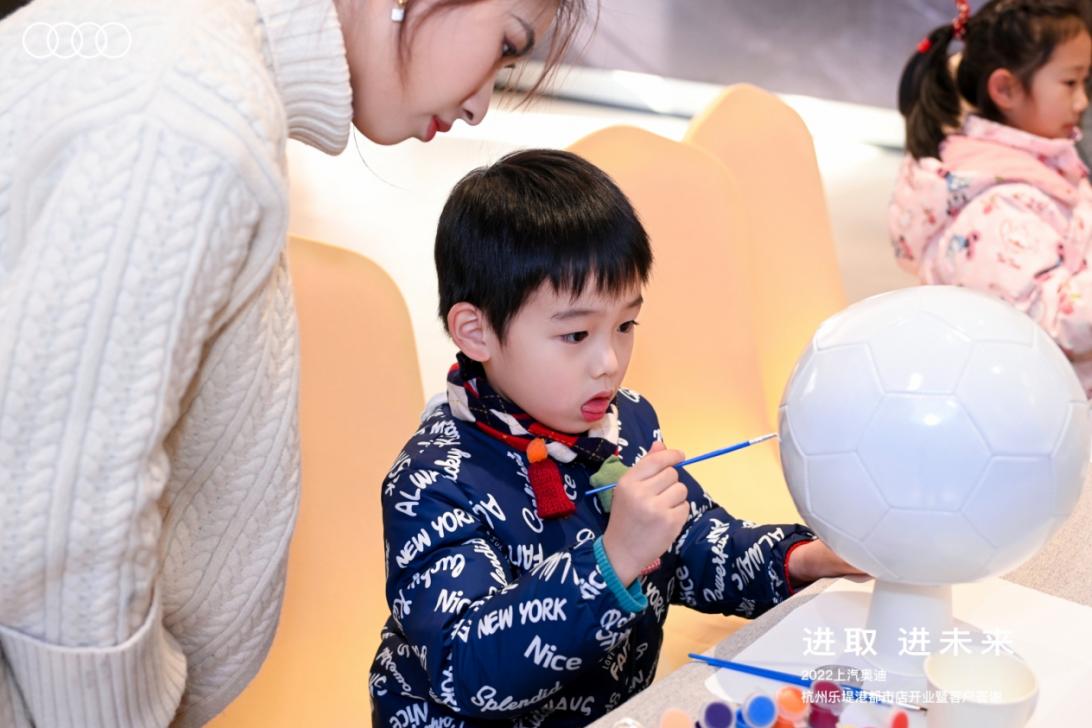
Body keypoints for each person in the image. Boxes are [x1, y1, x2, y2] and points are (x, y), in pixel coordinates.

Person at [0, 0, 587, 725]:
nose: (478, 105)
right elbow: (64, 540)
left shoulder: (198, 66)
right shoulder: (192, 109)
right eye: (504, 45)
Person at [369, 149, 859, 727]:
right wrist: (614, 559)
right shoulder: (434, 480)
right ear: (476, 331)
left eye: (625, 325)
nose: (609, 361)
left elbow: (692, 544)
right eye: (575, 334)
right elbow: (469, 669)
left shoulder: (626, 424)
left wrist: (798, 560)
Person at [889, 0, 1092, 394]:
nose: (1082, 101)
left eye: (1086, 82)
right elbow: (1046, 324)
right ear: (1005, 89)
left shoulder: (1044, 171)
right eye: (1070, 82)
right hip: (1040, 422)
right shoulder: (999, 204)